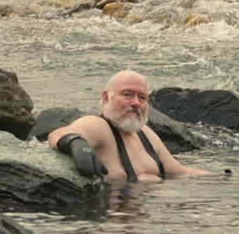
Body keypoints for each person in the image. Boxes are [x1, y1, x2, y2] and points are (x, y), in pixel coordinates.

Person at [48, 70, 210, 182]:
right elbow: (58, 133)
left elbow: (179, 171)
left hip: (150, 223)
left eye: (142, 97)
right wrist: (75, 143)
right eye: (127, 94)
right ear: (105, 97)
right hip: (113, 224)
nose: (135, 103)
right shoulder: (99, 126)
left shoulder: (146, 134)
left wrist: (224, 178)